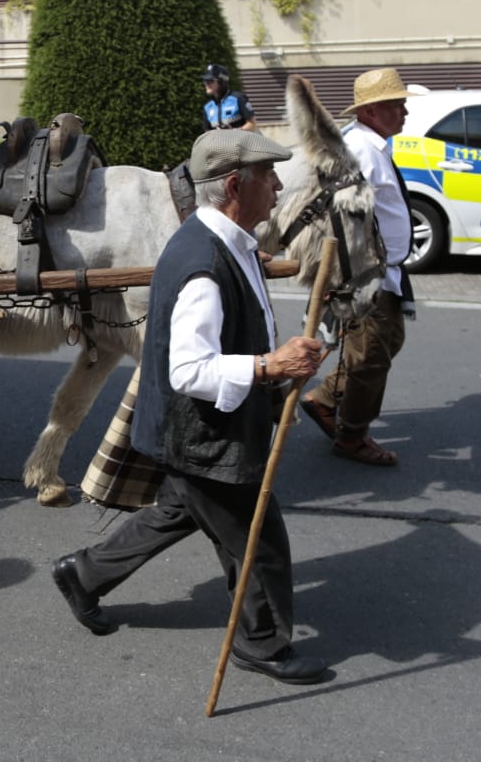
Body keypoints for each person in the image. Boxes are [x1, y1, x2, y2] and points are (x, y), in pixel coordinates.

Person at [51, 129, 328, 686]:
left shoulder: (223, 237)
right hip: (205, 433)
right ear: (232, 185)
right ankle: (263, 644)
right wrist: (271, 366)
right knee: (258, 540)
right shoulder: (203, 263)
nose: (277, 187)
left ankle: (83, 575)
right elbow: (190, 370)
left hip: (202, 428)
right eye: (267, 177)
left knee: (179, 509)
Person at [299, 68, 418, 467]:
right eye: (396, 105)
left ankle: (327, 398)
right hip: (365, 272)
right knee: (369, 356)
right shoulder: (360, 150)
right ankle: (351, 434)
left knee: (387, 343)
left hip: (385, 269)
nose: (404, 112)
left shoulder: (373, 144)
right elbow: (337, 212)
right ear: (371, 111)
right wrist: (338, 276)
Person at [201, 64, 257, 132]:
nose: (206, 84)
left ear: (221, 81)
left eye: (210, 81)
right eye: (205, 81)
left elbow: (252, 124)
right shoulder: (208, 106)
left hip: (242, 141)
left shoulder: (238, 98)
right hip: (220, 142)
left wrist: (233, 132)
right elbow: (207, 131)